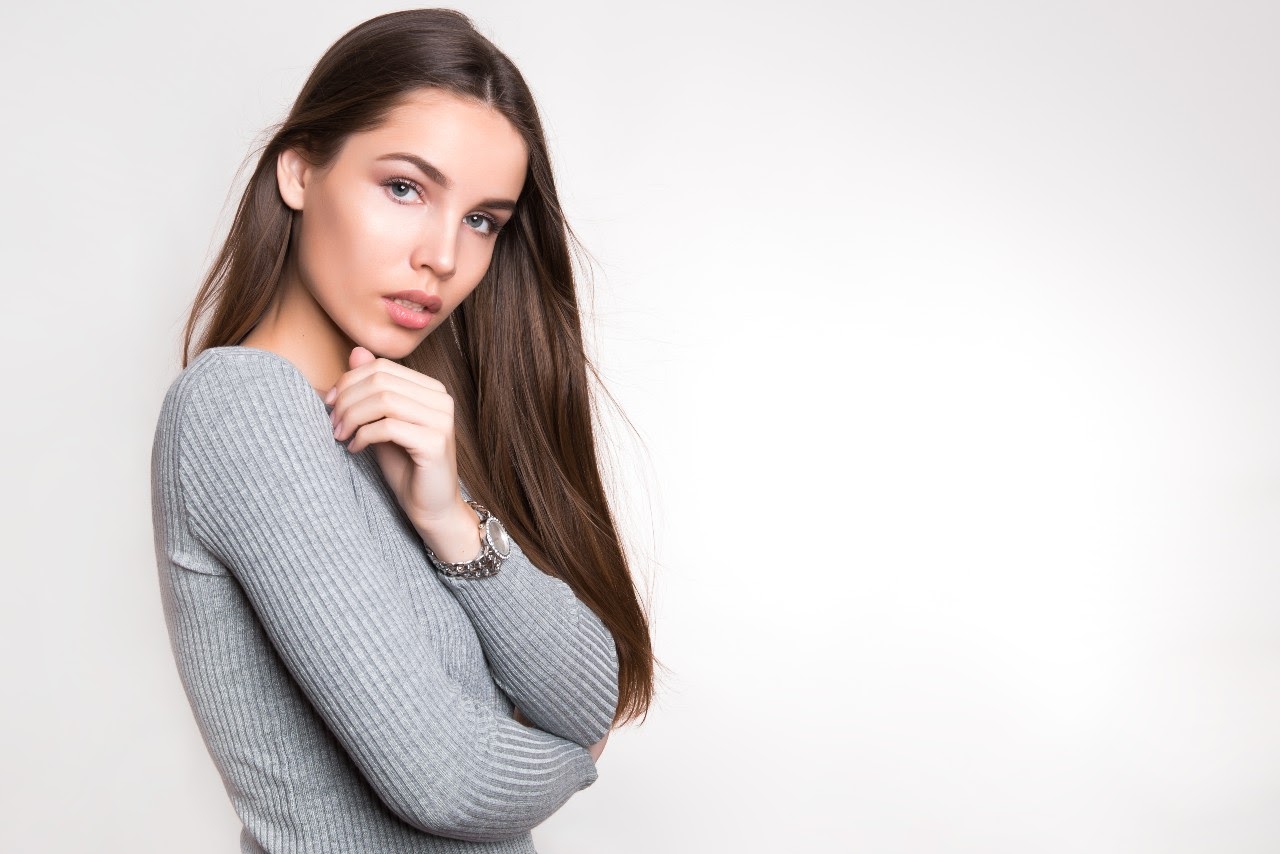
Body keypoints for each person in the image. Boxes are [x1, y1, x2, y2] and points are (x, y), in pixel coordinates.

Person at [149, 9, 654, 852]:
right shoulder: (241, 406)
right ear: (300, 171)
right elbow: (446, 778)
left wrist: (448, 519)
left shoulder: (403, 423)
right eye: (405, 188)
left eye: (483, 220)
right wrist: (577, 757)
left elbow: (589, 689)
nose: (444, 258)